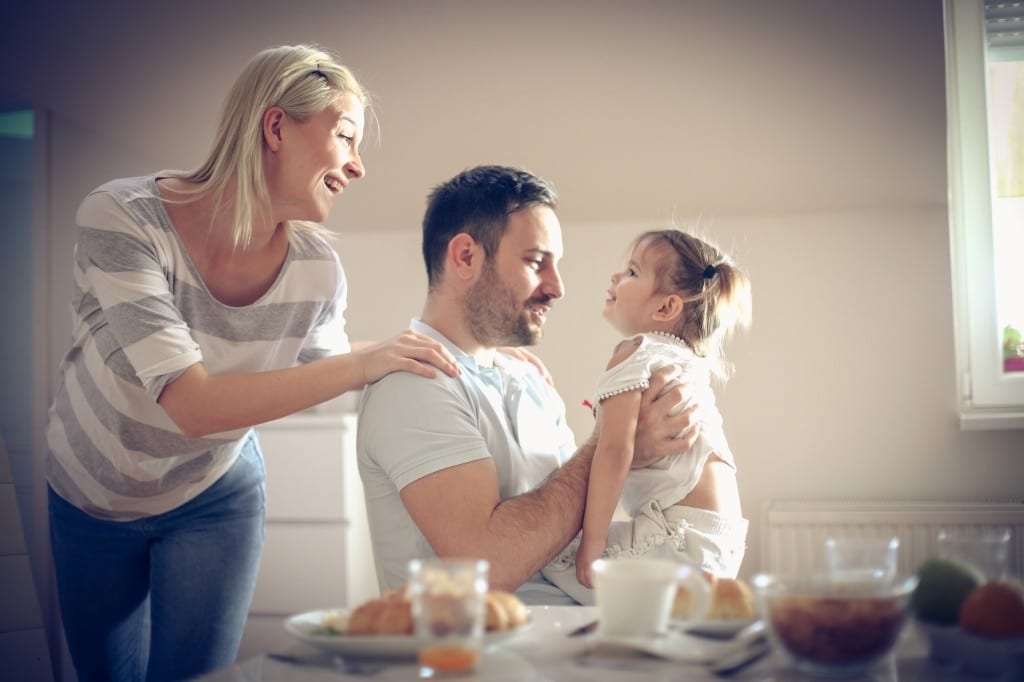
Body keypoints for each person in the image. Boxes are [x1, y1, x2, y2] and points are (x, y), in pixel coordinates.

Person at [44, 44, 461, 682]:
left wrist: (464, 355)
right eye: (346, 137)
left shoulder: (317, 268)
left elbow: (319, 369)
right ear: (275, 127)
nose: (358, 167)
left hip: (214, 495)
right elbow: (192, 404)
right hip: (91, 495)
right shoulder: (123, 220)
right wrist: (369, 361)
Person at [356, 165, 700, 605]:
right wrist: (617, 440)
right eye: (537, 262)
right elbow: (490, 564)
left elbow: (567, 529)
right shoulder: (412, 386)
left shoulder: (530, 380)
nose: (557, 288)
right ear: (465, 257)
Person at [541, 228, 752, 605]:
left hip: (677, 543)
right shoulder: (686, 362)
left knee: (547, 553)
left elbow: (615, 451)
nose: (615, 278)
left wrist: (594, 541)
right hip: (723, 542)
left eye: (632, 273)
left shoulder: (636, 351)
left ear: (666, 308)